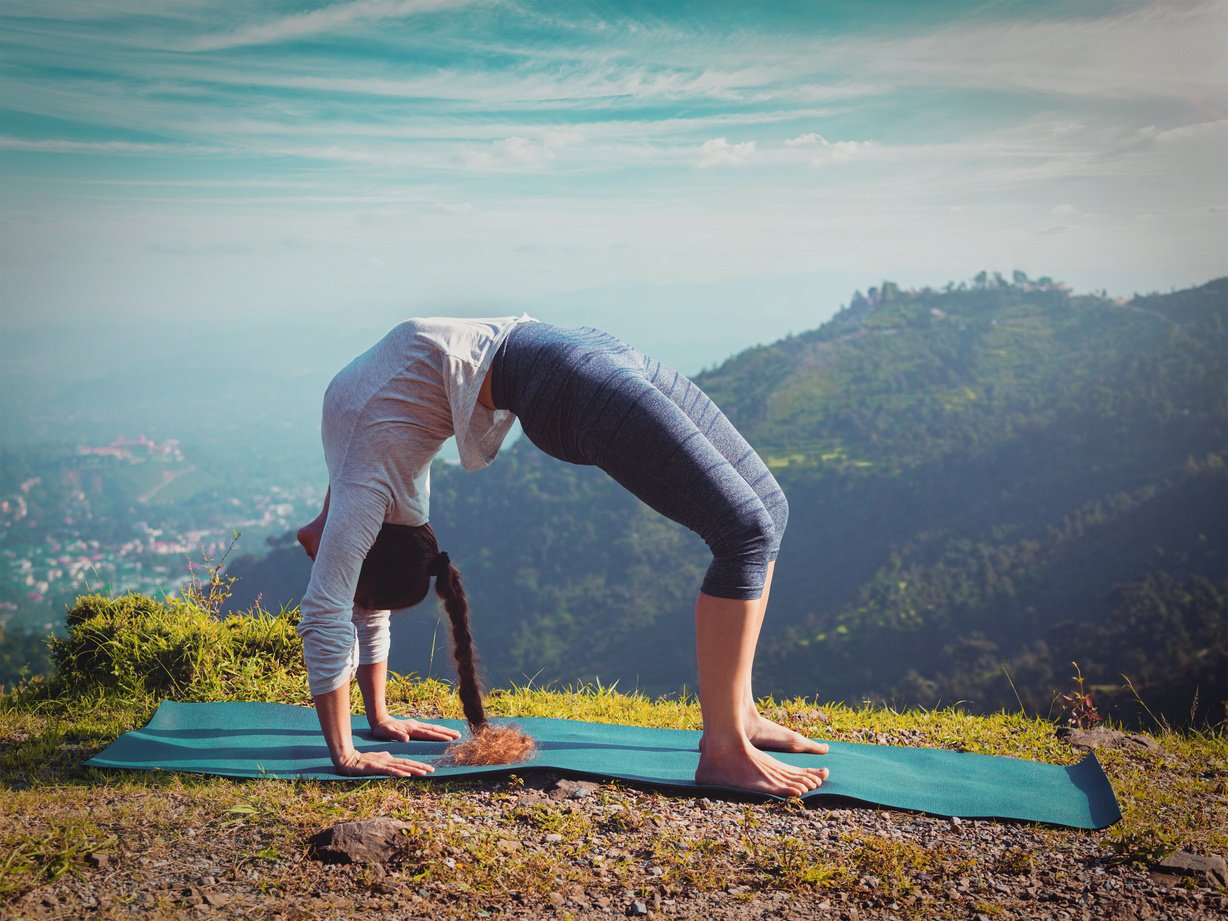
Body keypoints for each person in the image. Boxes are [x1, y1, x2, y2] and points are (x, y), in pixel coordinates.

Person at [296, 316, 829, 797]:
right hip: (567, 362)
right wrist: (374, 719)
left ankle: (739, 717)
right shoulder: (367, 477)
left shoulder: (367, 485)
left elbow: (330, 608)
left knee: (767, 512)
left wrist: (351, 749)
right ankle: (725, 747)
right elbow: (353, 596)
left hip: (578, 362)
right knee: (747, 530)